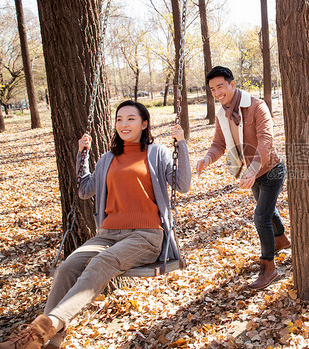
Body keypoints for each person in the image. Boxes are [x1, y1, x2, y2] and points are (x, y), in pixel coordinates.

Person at [0, 100, 191, 349]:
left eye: (131, 119)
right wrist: (82, 155)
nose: (124, 124)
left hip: (145, 235)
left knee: (101, 262)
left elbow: (183, 185)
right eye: (120, 119)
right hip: (108, 234)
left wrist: (182, 144)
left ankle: (35, 334)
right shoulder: (107, 158)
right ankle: (50, 342)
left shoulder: (158, 152)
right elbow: (84, 190)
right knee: (68, 267)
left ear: (144, 124)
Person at [196, 66, 289, 290]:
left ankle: (269, 267)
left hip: (271, 170)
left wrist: (253, 169)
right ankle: (282, 240)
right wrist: (207, 159)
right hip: (250, 173)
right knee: (267, 210)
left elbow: (266, 140)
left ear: (232, 85)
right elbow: (218, 144)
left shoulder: (257, 106)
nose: (217, 93)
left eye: (220, 86)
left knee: (260, 216)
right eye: (212, 89)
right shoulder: (221, 113)